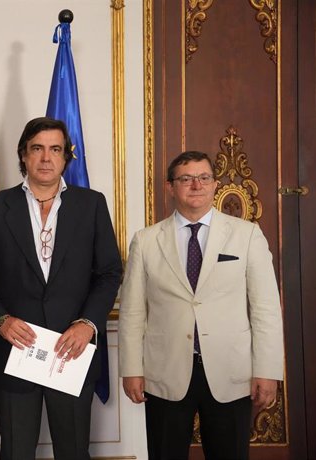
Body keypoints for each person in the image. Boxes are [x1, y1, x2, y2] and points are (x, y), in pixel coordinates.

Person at [0, 117, 123, 460]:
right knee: (17, 452)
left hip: (72, 351)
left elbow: (109, 272)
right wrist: (1, 320)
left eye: (55, 149)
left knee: (74, 451)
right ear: (23, 155)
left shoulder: (91, 204)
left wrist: (88, 324)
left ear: (66, 157)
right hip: (16, 351)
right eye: (37, 149)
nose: (46, 158)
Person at [118, 150, 285, 460]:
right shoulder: (146, 240)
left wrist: (267, 369)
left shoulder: (247, 235)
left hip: (231, 372)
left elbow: (265, 310)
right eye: (186, 179)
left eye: (204, 177)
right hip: (165, 372)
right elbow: (132, 313)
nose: (196, 185)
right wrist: (131, 368)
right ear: (170, 187)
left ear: (214, 184)